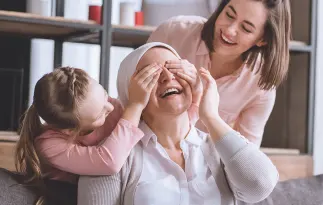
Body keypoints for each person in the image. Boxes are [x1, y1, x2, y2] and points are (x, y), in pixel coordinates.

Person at [77, 42, 278, 205]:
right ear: (130, 94)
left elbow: (260, 186)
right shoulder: (111, 159)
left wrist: (210, 117)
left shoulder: (219, 149)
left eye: (175, 68)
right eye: (151, 74)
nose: (167, 77)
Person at [147, 0, 291, 145]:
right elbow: (131, 94)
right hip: (149, 148)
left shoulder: (260, 84)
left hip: (206, 164)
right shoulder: (173, 32)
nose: (229, 30)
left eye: (246, 28)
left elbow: (246, 154)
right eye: (229, 15)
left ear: (262, 40)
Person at [14, 65, 160, 204]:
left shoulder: (111, 107)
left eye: (105, 95)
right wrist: (135, 106)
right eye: (99, 115)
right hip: (63, 195)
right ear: (70, 130)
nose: (110, 107)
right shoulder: (48, 145)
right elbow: (109, 161)